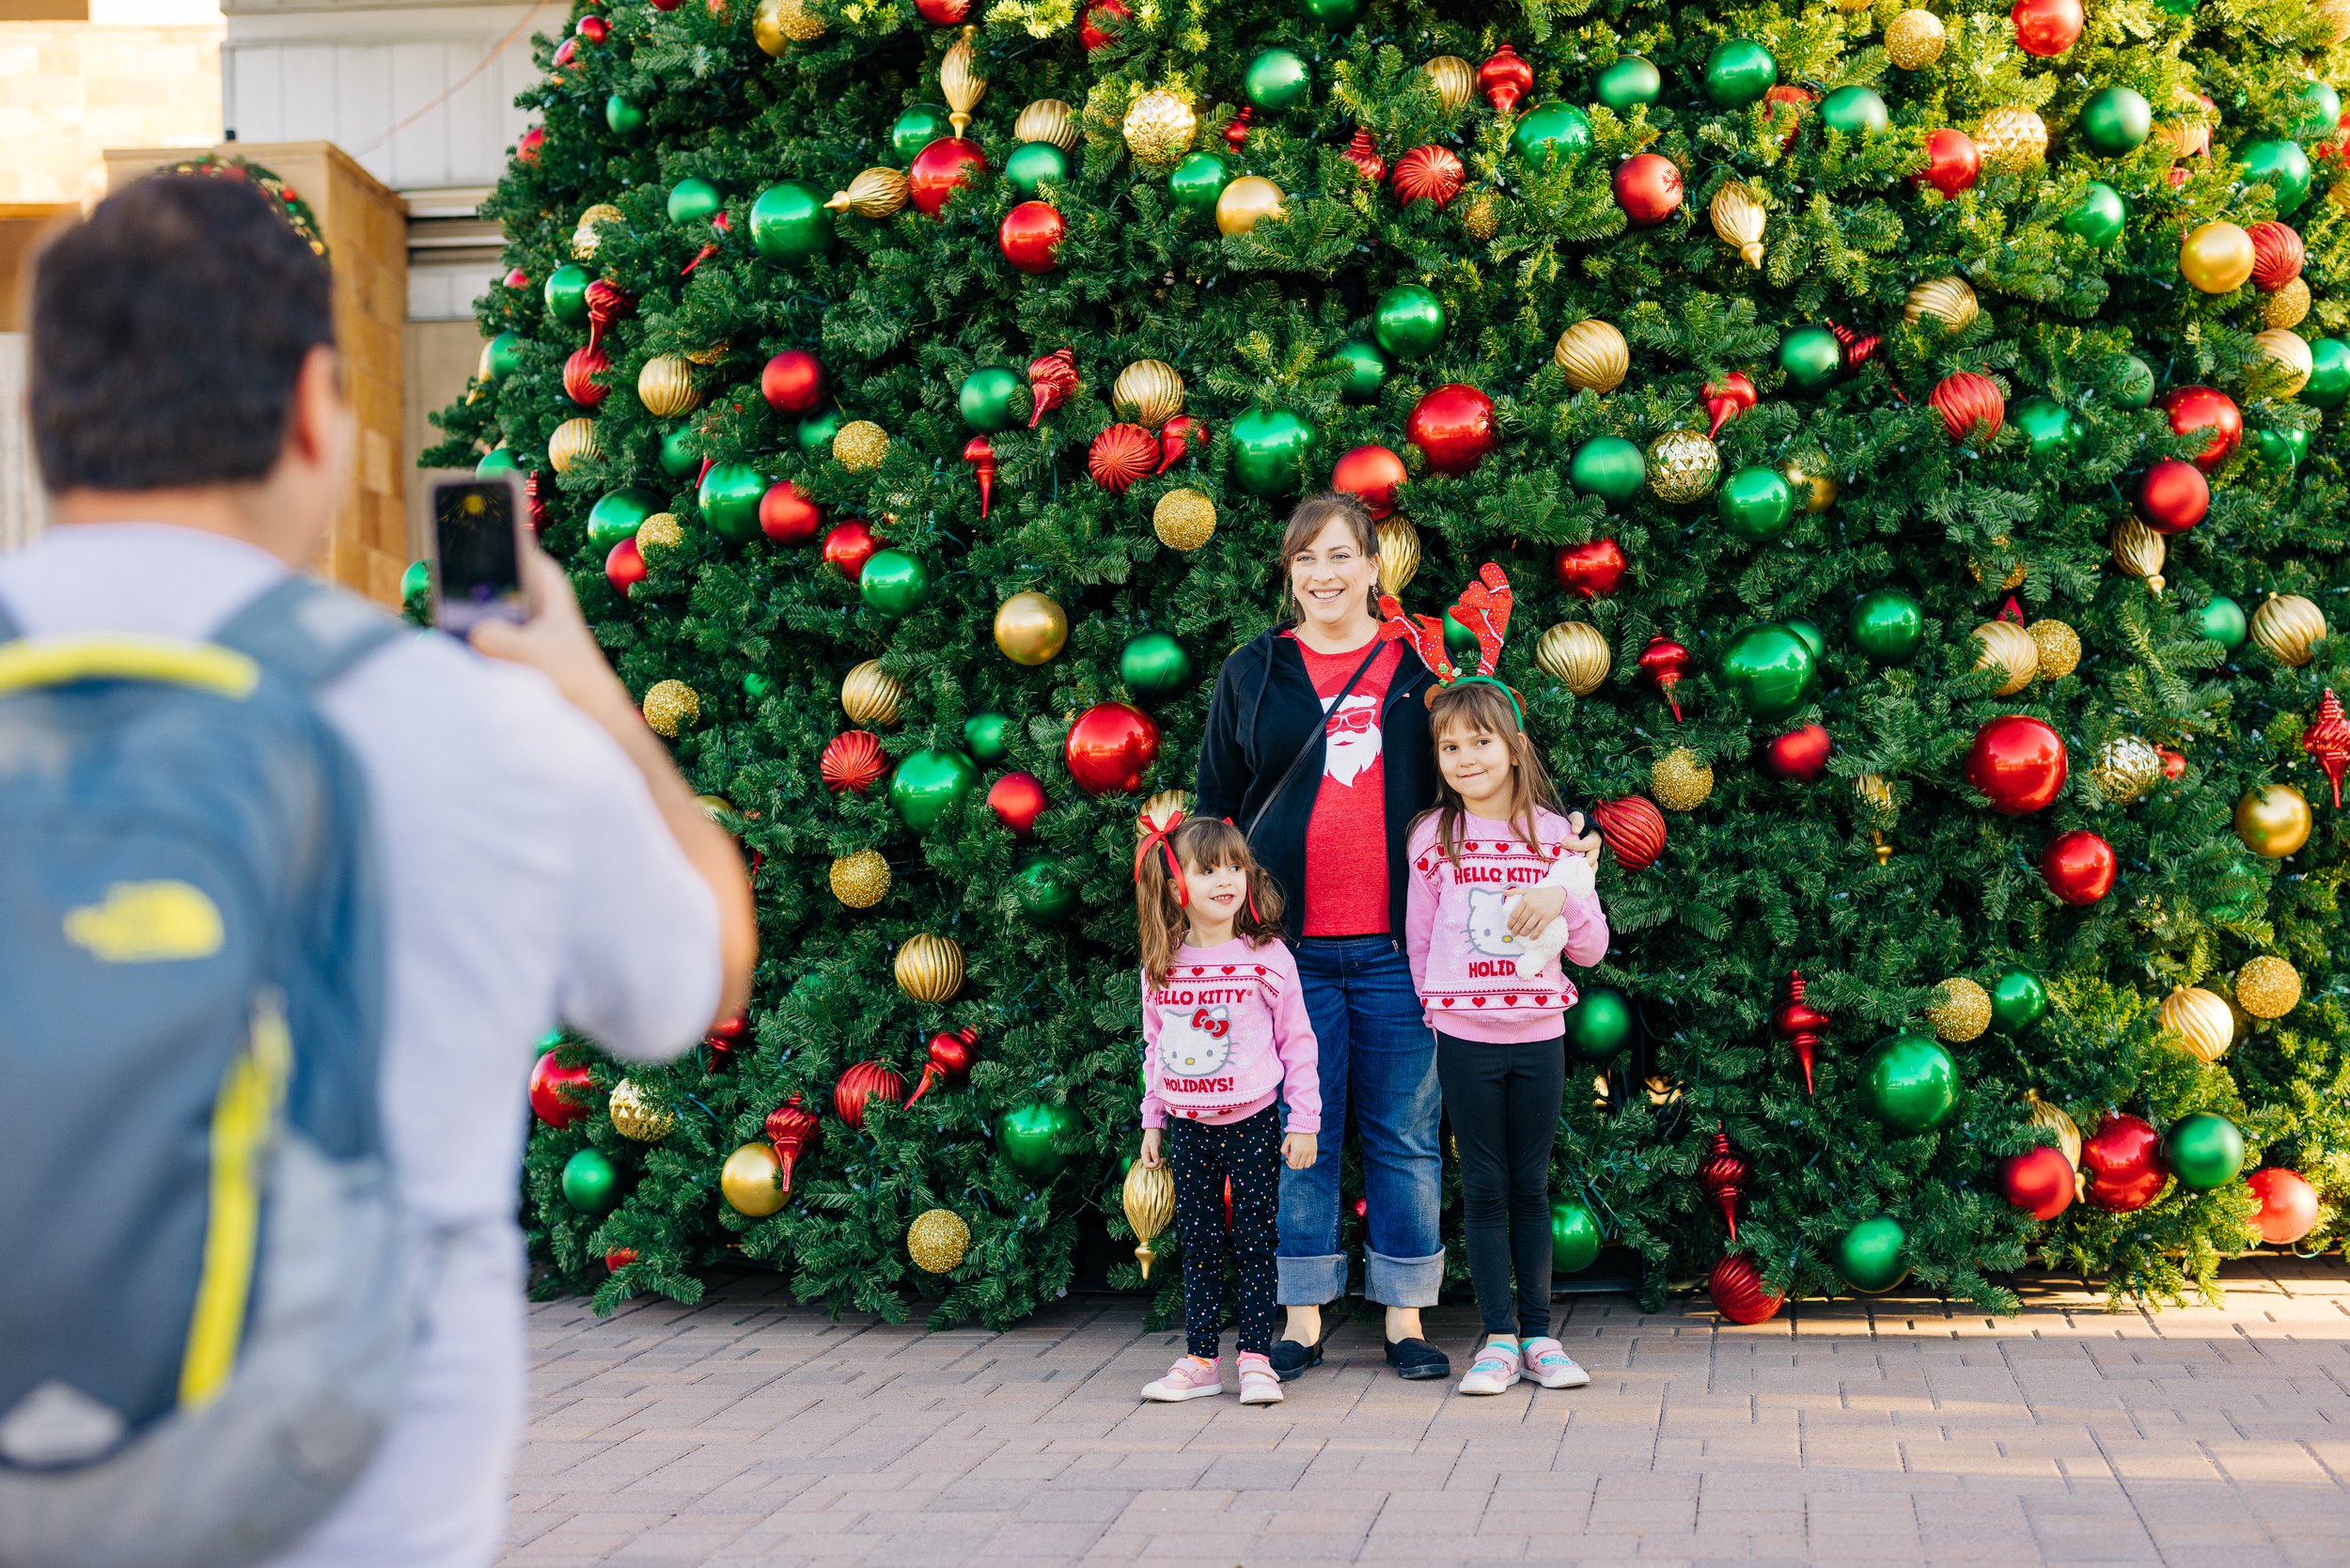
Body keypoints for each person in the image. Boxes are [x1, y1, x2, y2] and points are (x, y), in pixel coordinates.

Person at [7, 173, 756, 1566]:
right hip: (335, 1506)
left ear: (45, 426)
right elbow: (694, 977)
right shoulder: (468, 731)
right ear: (310, 408)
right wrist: (585, 693)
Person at [1195, 493, 1598, 1384]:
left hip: (1400, 949)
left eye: (1341, 556)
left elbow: (1494, 759)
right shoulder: (1253, 670)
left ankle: (1405, 1314)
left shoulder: (1420, 664)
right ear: (1288, 572)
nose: (1323, 575)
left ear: (1376, 566)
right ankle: (1300, 1315)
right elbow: (1213, 807)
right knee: (1301, 1130)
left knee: (1406, 1133)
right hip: (1284, 948)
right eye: (1305, 559)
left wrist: (1568, 845)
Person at [1390, 572, 1609, 1396]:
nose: (1466, 758)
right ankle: (1496, 1337)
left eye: (1481, 741)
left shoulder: (1557, 837)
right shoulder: (1431, 837)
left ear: (1514, 744)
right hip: (1466, 1039)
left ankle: (1544, 1339)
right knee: (1481, 1186)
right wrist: (1435, 1010)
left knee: (1531, 1183)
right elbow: (1418, 941)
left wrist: (1568, 888)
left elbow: (1587, 950)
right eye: (1451, 747)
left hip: (1540, 1036)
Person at [1133, 814, 1319, 1406]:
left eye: (1235, 866)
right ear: (1174, 883)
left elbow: (1299, 1042)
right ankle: (1201, 1358)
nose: (1226, 879)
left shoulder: (1267, 957)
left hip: (1255, 1120)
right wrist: (1154, 1116)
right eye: (1208, 868)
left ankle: (1258, 1358)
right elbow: (1154, 1047)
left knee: (1258, 1240)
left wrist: (1305, 1120)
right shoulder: (1162, 965)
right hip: (1188, 1126)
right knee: (1200, 1242)